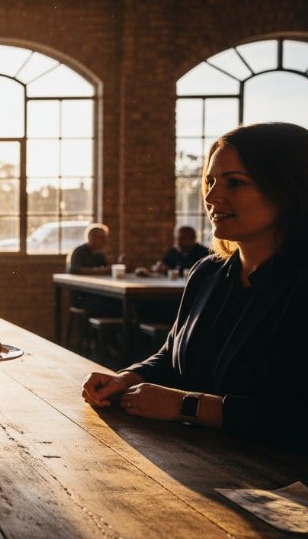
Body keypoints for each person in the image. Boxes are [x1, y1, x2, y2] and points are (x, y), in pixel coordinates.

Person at [82, 122, 308, 452]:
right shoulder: (208, 273)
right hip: (194, 463)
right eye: (211, 181)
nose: (212, 196)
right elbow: (171, 357)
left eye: (235, 183)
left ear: (288, 190)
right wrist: (126, 378)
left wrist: (187, 406)